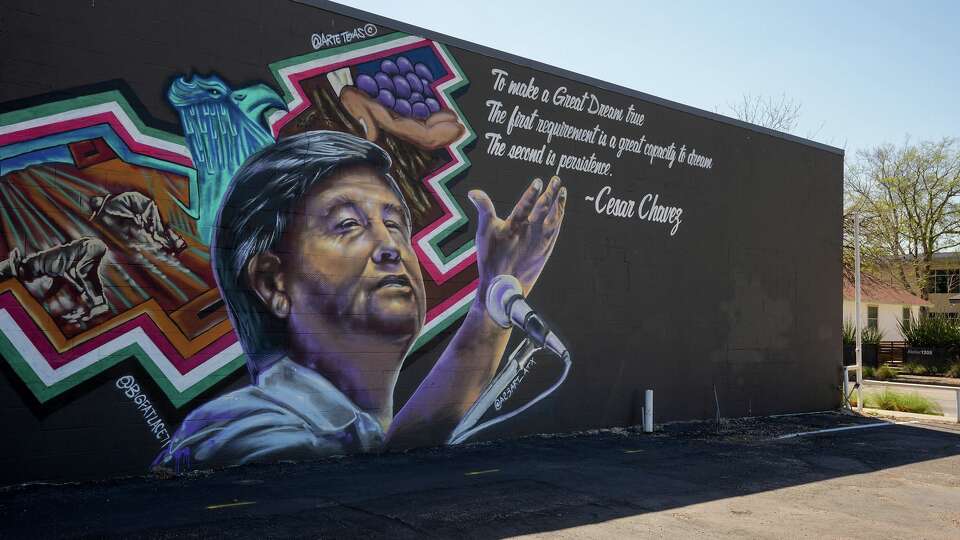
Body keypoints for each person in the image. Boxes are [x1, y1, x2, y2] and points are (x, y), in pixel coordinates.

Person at [153, 130, 566, 470]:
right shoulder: (236, 434)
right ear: (272, 283)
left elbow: (396, 456)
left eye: (395, 224)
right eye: (348, 225)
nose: (390, 246)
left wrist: (495, 294)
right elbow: (363, 486)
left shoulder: (355, 435)